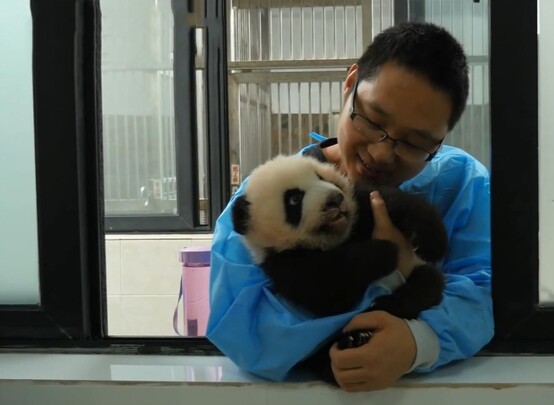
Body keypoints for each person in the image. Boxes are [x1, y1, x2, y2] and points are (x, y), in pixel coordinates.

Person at [207, 21, 493, 392]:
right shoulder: (260, 201)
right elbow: (243, 330)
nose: (381, 152)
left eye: (417, 143)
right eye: (373, 120)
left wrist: (418, 341)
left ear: (442, 138)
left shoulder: (464, 184)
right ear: (350, 83)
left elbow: (489, 296)